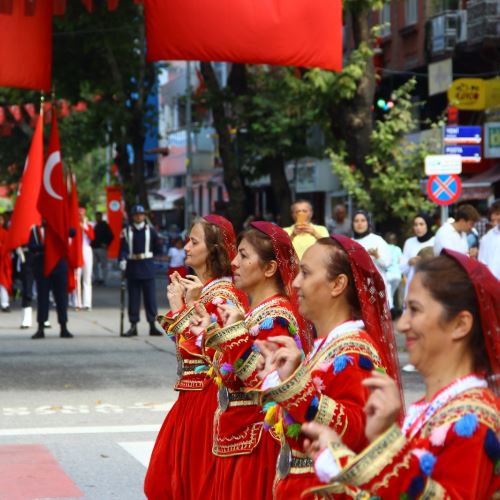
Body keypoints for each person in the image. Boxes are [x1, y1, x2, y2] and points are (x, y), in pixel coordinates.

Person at [302, 251, 500, 499]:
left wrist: (372, 452)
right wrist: (341, 458)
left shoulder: (475, 419)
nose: (402, 325)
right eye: (405, 310)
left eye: (414, 310)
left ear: (460, 324)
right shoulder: (433, 408)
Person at [254, 235, 402, 499]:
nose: (296, 282)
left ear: (338, 284)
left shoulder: (355, 354)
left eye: (306, 273)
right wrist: (280, 378)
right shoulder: (326, 347)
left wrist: (293, 386)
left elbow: (355, 430)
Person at [199, 222, 312, 499]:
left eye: (244, 255)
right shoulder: (255, 312)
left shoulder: (275, 318)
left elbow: (264, 384)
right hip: (240, 440)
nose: (234, 263)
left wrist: (235, 336)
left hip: (256, 445)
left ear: (270, 268)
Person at [144, 215, 247, 500]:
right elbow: (186, 350)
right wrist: (182, 307)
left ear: (212, 250)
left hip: (207, 398)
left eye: (194, 241)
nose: (187, 246)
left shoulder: (222, 296)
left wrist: (181, 308)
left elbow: (205, 352)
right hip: (193, 396)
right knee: (169, 480)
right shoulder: (203, 292)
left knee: (189, 481)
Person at [119, 204, 163, 337]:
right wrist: (122, 259)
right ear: (133, 217)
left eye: (141, 214)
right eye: (136, 214)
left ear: (144, 216)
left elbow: (158, 247)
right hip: (132, 267)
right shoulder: (126, 231)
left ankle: (152, 325)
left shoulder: (151, 230)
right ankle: (133, 325)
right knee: (133, 298)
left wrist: (152, 256)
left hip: (147, 266)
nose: (139, 216)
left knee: (150, 299)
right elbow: (122, 248)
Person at [29, 222, 73, 339]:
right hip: (42, 266)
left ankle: (64, 327)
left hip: (59, 265)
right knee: (42, 298)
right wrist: (47, 246)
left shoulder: (59, 227)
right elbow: (31, 246)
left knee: (61, 298)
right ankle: (41, 328)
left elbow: (72, 232)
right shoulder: (35, 229)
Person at [351, 210, 391, 286]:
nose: (360, 223)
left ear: (368, 223)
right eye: (356, 221)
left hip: (376, 287)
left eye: (363, 220)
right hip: (358, 287)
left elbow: (387, 264)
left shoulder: (377, 240)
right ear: (352, 224)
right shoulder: (349, 242)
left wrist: (377, 256)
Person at [73, 208, 94, 310]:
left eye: (82, 214)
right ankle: (77, 303)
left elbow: (92, 237)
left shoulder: (89, 225)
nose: (80, 216)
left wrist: (84, 227)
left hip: (86, 250)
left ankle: (87, 303)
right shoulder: (74, 226)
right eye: (79, 215)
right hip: (77, 251)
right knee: (77, 277)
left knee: (87, 278)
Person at [91, 211, 114, 285]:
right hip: (94, 247)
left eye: (98, 216)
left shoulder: (105, 225)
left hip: (101, 248)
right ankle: (97, 278)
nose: (97, 218)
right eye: (96, 216)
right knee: (94, 264)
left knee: (104, 264)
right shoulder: (94, 225)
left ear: (101, 217)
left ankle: (104, 279)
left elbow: (111, 236)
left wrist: (106, 243)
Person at [478, 201, 500, 279]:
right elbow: (482, 263)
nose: (493, 217)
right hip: (492, 284)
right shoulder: (487, 238)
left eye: (497, 214)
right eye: (492, 214)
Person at [384, 232, 402, 315]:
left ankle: (391, 308)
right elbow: (400, 261)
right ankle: (394, 307)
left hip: (387, 274)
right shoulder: (397, 248)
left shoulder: (384, 248)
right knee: (392, 292)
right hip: (397, 274)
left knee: (388, 292)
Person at [0, 213, 12, 312]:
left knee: (3, 283)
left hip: (2, 260)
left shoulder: (5, 233)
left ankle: (5, 303)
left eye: (1, 219)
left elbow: (7, 247)